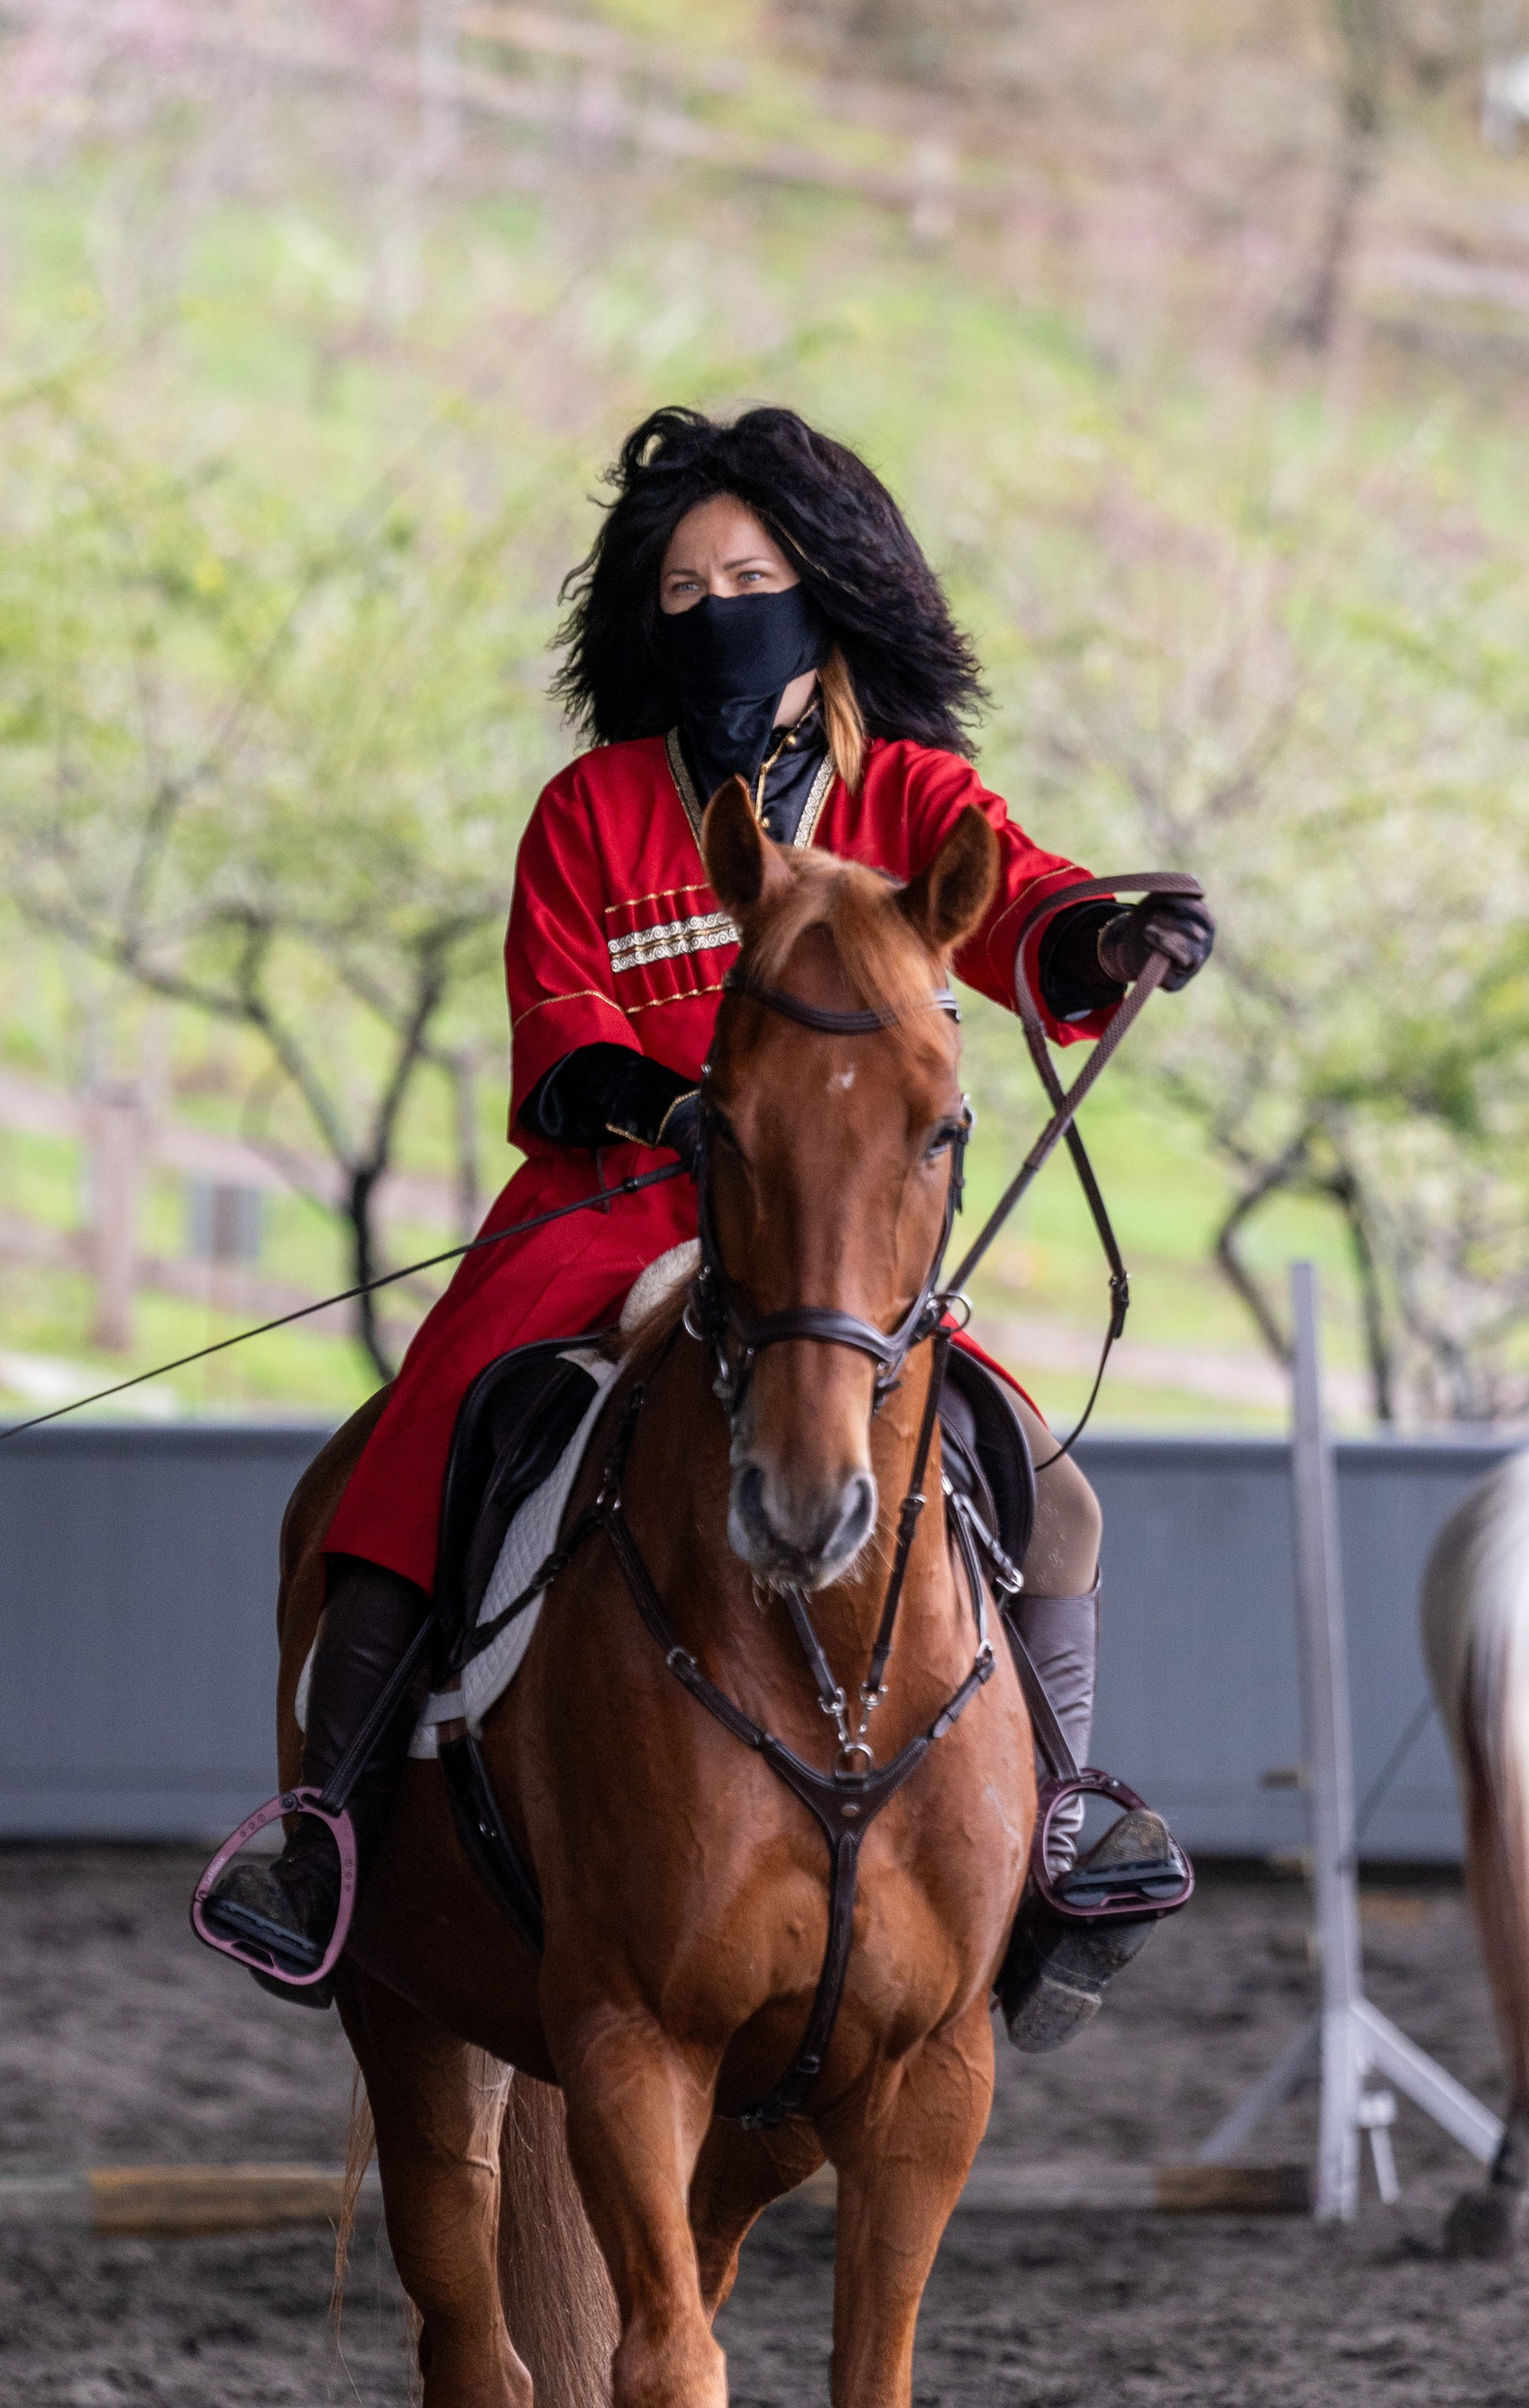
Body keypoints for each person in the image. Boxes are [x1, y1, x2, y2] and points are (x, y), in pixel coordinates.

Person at [206, 403, 1215, 2022]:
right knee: (416, 1454)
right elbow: (557, 1016)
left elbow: (1023, 906)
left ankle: (1058, 1823)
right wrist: (664, 1106)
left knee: (1065, 1504)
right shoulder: (591, 809)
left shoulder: (914, 795)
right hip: (609, 1205)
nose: (718, 610)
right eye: (681, 590)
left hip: (834, 1239)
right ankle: (327, 1827)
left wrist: (1110, 937)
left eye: (749, 573)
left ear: (826, 588)